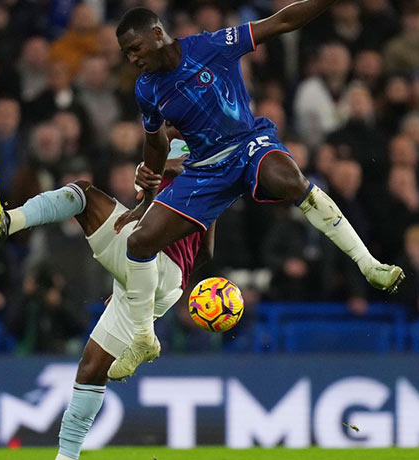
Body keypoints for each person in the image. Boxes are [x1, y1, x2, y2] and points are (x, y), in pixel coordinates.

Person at [111, 2, 403, 381]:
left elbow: (281, 21)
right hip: (205, 169)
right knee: (139, 244)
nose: (132, 59)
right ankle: (142, 339)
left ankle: (368, 264)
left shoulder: (213, 46)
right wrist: (146, 200)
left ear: (156, 34)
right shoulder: (147, 90)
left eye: (135, 48)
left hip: (249, 145)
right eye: (126, 54)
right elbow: (155, 145)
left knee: (290, 180)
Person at [0, 139, 213, 460]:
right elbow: (206, 251)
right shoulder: (189, 155)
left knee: (84, 195)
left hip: (153, 258)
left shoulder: (200, 151)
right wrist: (141, 286)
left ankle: (8, 223)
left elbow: (191, 169)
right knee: (91, 368)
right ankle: (66, 457)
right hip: (158, 272)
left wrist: (161, 170)